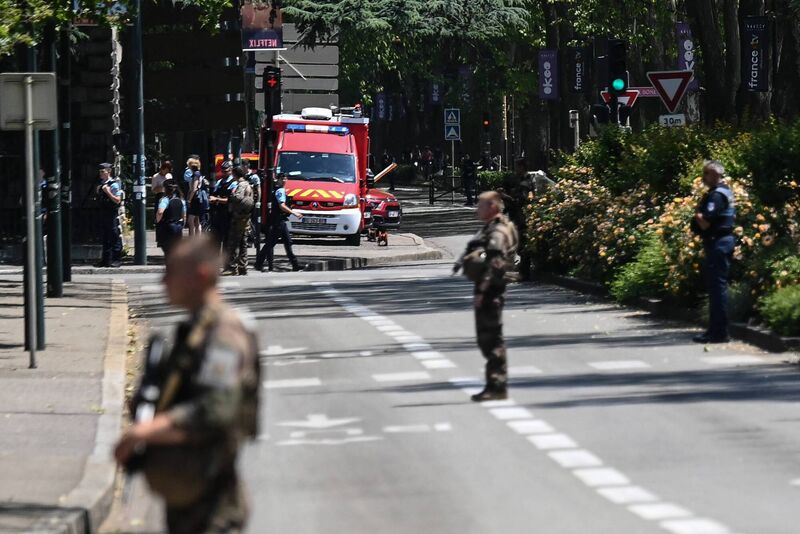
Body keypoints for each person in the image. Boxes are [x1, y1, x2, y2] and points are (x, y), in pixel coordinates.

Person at [114, 236, 260, 534]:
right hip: (188, 494)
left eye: (171, 271)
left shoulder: (224, 334)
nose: (163, 279)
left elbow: (215, 409)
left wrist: (143, 432)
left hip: (213, 503)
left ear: (200, 276)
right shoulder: (194, 329)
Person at [455, 191, 518, 402]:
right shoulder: (491, 227)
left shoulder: (498, 231)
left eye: (480, 206)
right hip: (490, 287)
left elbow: (496, 262)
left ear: (492, 207)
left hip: (491, 289)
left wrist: (483, 289)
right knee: (487, 338)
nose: (477, 209)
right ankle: (494, 384)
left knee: (491, 338)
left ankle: (497, 385)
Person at [692, 160, 736, 344]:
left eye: (706, 174)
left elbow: (705, 222)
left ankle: (719, 332)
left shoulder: (717, 195)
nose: (704, 178)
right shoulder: (722, 192)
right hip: (719, 242)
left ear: (715, 174)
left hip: (718, 243)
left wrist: (697, 214)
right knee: (716, 288)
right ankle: (715, 330)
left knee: (717, 290)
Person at [255, 173, 304, 272]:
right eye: (282, 178)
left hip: (281, 221)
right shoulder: (280, 190)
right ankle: (258, 263)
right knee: (270, 243)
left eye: (286, 178)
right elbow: (282, 206)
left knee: (287, 242)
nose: (284, 180)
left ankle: (295, 265)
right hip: (279, 221)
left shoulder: (278, 189)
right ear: (278, 179)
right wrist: (294, 213)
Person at [500, 158, 533, 281]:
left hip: (522, 217)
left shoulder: (525, 182)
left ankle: (524, 272)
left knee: (522, 244)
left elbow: (519, 201)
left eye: (518, 167)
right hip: (516, 217)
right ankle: (519, 270)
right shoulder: (518, 180)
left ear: (523, 167)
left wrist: (505, 197)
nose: (516, 169)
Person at [223, 166, 254, 276]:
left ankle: (232, 267)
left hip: (238, 218)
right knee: (243, 244)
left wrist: (232, 194)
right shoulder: (248, 184)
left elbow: (237, 197)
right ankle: (243, 267)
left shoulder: (240, 185)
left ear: (235, 174)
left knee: (233, 243)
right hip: (246, 218)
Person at [95, 162, 123, 268]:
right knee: (105, 237)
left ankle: (116, 259)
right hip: (104, 213)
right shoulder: (102, 184)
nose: (101, 174)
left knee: (114, 236)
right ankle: (106, 260)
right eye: (100, 172)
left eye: (103, 172)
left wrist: (108, 192)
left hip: (111, 213)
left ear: (109, 172)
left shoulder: (114, 184)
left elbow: (117, 200)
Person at [155, 178, 185, 260]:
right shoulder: (181, 200)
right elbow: (183, 215)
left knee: (168, 251)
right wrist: (181, 223)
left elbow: (160, 212)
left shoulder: (164, 200)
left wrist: (158, 221)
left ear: (165, 189)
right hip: (178, 226)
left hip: (167, 226)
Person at [209, 161, 236, 249]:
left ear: (231, 170)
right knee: (216, 238)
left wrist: (217, 199)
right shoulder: (220, 182)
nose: (224, 173)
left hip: (228, 214)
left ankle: (225, 261)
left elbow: (230, 200)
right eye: (223, 171)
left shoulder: (234, 183)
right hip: (218, 214)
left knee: (227, 239)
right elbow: (214, 194)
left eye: (226, 171)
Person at [187, 161, 209, 237]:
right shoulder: (199, 173)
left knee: (190, 220)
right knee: (197, 221)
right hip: (199, 199)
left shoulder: (196, 174)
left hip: (195, 199)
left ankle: (192, 239)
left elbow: (194, 189)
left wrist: (189, 200)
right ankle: (197, 239)